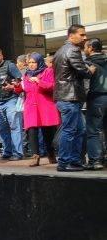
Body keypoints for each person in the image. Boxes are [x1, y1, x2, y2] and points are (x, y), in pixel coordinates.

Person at [53, 24, 93, 172]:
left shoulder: (60, 50)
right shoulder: (73, 49)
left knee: (79, 130)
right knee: (70, 131)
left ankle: (75, 161)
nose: (85, 37)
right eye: (82, 35)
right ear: (71, 35)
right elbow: (82, 70)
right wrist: (90, 70)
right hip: (69, 97)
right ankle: (64, 162)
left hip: (67, 97)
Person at [15, 52, 59, 166]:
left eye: (33, 62)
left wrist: (39, 81)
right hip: (31, 106)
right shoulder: (26, 75)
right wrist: (16, 86)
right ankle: (35, 156)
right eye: (29, 63)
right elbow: (24, 90)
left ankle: (51, 154)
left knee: (48, 132)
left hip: (45, 105)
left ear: (39, 62)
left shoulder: (48, 71)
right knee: (32, 131)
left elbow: (52, 86)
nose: (31, 65)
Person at [84, 38, 106, 170]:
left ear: (91, 48)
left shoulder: (88, 63)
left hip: (96, 98)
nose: (85, 49)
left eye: (86, 47)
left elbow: (85, 81)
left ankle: (95, 160)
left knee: (93, 130)